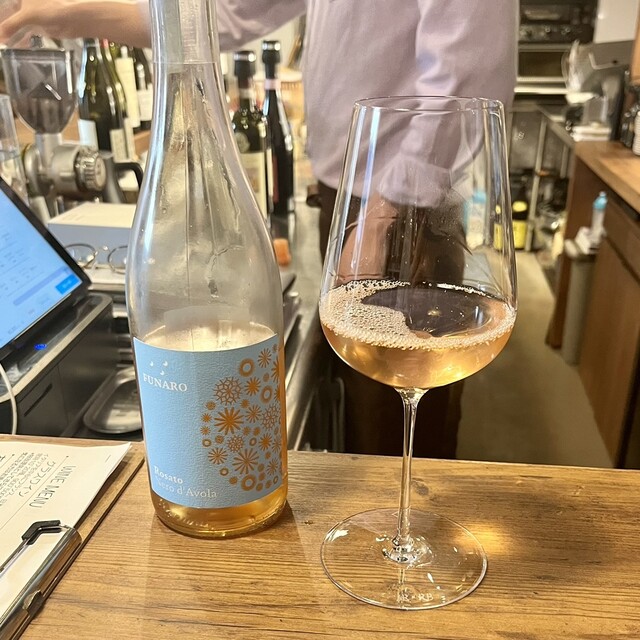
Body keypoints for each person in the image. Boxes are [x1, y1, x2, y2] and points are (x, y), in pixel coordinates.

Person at [0, 0, 517, 459]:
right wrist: (59, 14)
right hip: (347, 199)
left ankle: (416, 529)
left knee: (400, 416)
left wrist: (387, 212)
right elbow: (215, 13)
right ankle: (385, 525)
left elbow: (468, 68)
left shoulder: (396, 205)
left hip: (409, 207)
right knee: (367, 418)